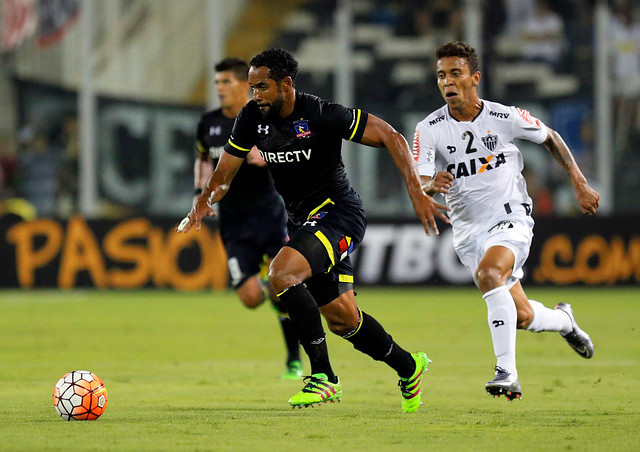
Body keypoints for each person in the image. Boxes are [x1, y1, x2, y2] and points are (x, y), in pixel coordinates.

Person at [179, 48, 449, 412]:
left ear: (286, 84)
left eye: (262, 87)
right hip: (302, 222)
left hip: (339, 213)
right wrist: (202, 202)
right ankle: (408, 366)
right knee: (342, 319)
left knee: (282, 273)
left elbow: (392, 136)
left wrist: (416, 193)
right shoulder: (251, 118)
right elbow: (224, 173)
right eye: (252, 87)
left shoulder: (320, 113)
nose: (255, 95)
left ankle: (323, 378)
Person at [413, 41, 599, 401]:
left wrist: (579, 182)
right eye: (441, 75)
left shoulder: (504, 116)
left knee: (489, 275)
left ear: (474, 78)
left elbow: (551, 138)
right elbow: (420, 181)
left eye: (455, 73)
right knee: (523, 316)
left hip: (510, 217)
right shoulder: (429, 128)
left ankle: (506, 373)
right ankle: (565, 321)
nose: (447, 81)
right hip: (467, 231)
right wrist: (430, 185)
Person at [193, 57, 302, 380]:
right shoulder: (208, 123)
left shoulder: (264, 118)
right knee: (252, 297)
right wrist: (201, 191)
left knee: (284, 287)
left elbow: (294, 152)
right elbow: (202, 156)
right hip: (234, 223)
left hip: (269, 215)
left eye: (225, 82)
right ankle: (277, 296)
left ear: (244, 85)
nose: (219, 89)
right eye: (216, 83)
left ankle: (294, 360)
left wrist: (266, 156)